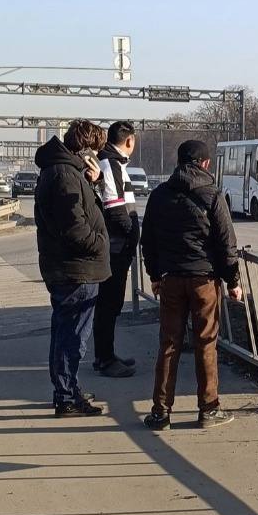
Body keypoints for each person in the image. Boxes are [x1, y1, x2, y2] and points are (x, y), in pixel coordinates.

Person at [140, 139, 242, 431]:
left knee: (169, 344)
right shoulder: (212, 195)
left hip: (171, 280)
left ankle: (160, 413)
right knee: (206, 343)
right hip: (204, 281)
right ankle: (209, 409)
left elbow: (148, 241)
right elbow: (226, 243)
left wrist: (155, 276)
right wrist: (233, 281)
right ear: (205, 163)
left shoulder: (159, 195)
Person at [34, 120, 111, 418]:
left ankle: (66, 388)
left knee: (65, 332)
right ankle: (66, 397)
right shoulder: (65, 175)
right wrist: (100, 244)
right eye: (95, 151)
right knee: (73, 337)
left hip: (67, 266)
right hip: (76, 269)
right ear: (86, 149)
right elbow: (74, 227)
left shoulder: (62, 170)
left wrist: (91, 182)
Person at [92, 120, 140, 377]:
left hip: (118, 245)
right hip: (115, 246)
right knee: (109, 304)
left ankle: (107, 354)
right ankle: (105, 359)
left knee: (111, 304)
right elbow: (115, 208)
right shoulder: (110, 165)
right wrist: (132, 236)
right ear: (129, 140)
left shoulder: (114, 163)